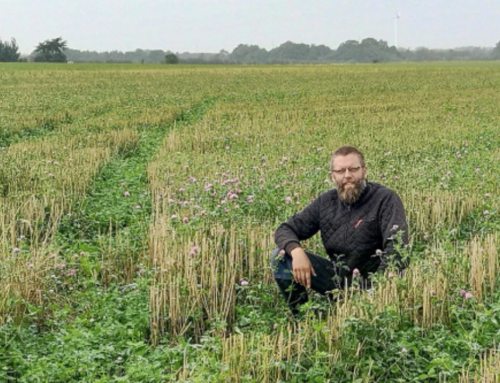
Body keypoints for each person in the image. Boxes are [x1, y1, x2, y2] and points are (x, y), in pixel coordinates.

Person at [272, 146, 408, 314]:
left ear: (364, 171)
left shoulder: (385, 199)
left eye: (353, 169)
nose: (347, 176)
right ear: (333, 175)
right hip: (338, 280)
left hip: (373, 284)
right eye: (340, 170)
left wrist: (378, 292)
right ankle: (305, 320)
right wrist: (296, 250)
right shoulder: (325, 202)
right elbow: (285, 229)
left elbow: (396, 248)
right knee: (280, 257)